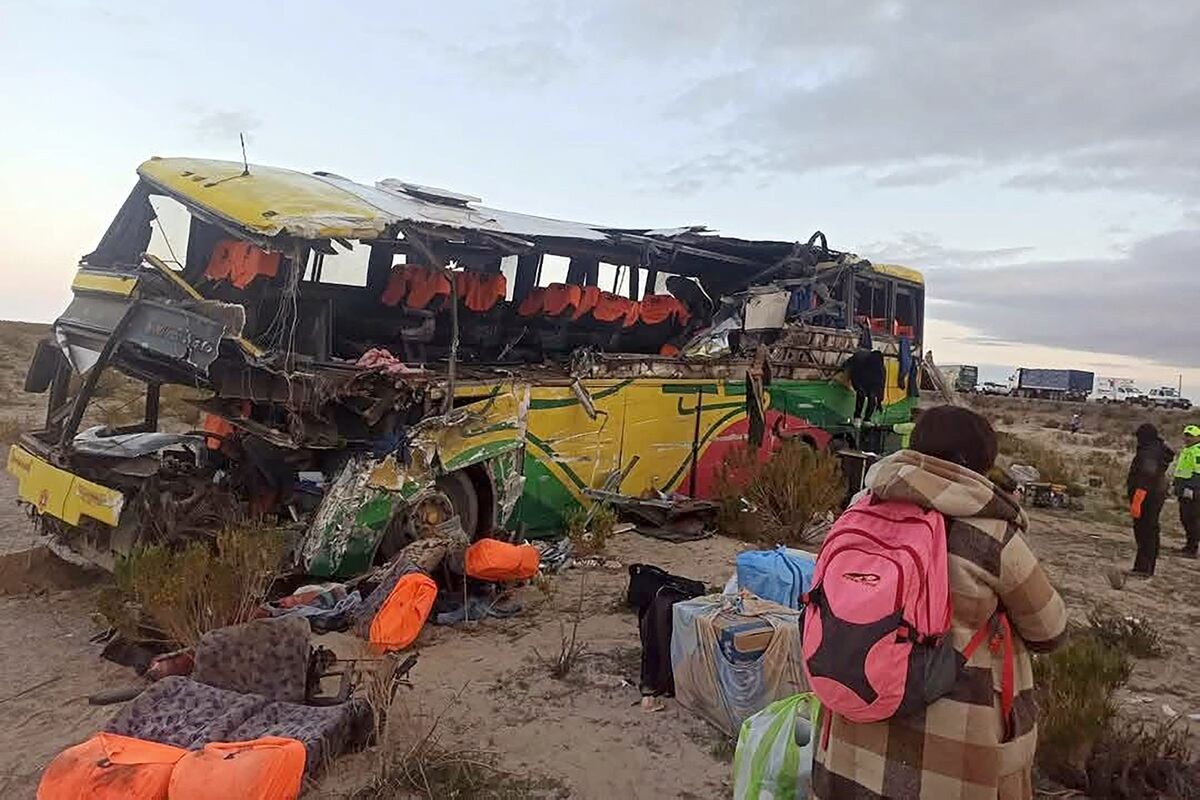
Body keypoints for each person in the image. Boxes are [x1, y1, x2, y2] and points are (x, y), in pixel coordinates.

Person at [811, 405, 1067, 800]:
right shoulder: (991, 534)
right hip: (948, 761)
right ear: (978, 464)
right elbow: (1049, 630)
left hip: (852, 740)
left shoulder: (860, 510)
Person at [1127, 422, 1174, 576]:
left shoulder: (1149, 452)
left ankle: (1144, 568)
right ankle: (1144, 566)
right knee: (1149, 530)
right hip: (1154, 495)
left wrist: (1137, 501)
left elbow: (1146, 477)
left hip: (1147, 497)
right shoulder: (1156, 449)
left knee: (1145, 531)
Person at [1173, 424, 1200, 558]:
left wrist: (1191, 489)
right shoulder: (1187, 450)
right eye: (1186, 435)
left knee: (1191, 518)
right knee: (1185, 517)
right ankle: (1190, 544)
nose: (1188, 438)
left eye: (1191, 436)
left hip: (1193, 490)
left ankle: (1192, 548)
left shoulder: (1197, 451)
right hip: (1183, 488)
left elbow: (1198, 472)